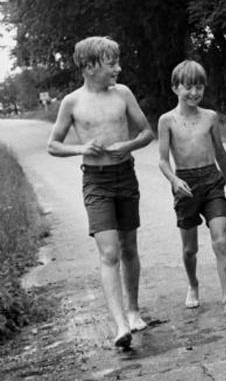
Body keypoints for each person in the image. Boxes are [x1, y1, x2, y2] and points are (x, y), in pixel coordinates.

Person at [48, 36, 154, 350]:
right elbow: (53, 145)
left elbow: (147, 132)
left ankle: (133, 310)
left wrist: (129, 144)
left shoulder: (123, 94)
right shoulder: (72, 102)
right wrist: (81, 148)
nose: (118, 69)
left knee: (129, 246)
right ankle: (120, 325)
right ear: (90, 66)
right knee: (109, 252)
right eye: (112, 64)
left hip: (125, 175)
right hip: (95, 181)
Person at [158, 59, 226, 319]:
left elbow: (221, 153)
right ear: (176, 88)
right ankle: (193, 284)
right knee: (190, 249)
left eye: (199, 87)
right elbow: (163, 161)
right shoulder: (167, 121)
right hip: (185, 184)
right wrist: (174, 181)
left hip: (212, 181)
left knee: (221, 241)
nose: (194, 93)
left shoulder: (210, 117)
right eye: (188, 87)